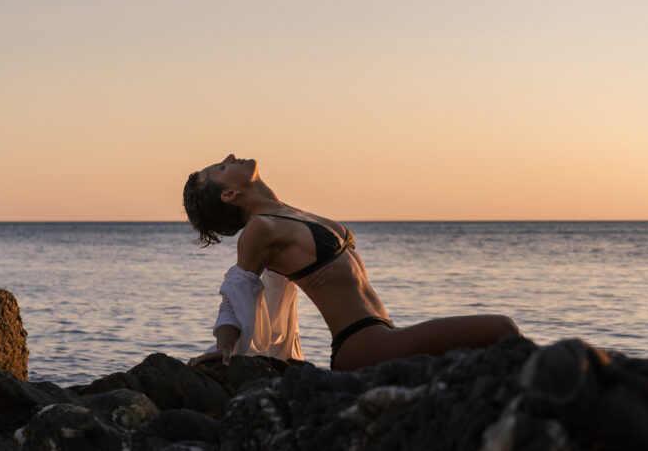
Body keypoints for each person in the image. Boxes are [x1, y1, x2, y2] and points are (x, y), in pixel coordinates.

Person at [183, 154, 520, 371]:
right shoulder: (260, 229)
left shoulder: (289, 213)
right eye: (222, 168)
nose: (229, 157)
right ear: (229, 195)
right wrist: (224, 347)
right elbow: (236, 290)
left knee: (487, 361)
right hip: (362, 346)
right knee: (502, 329)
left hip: (385, 336)